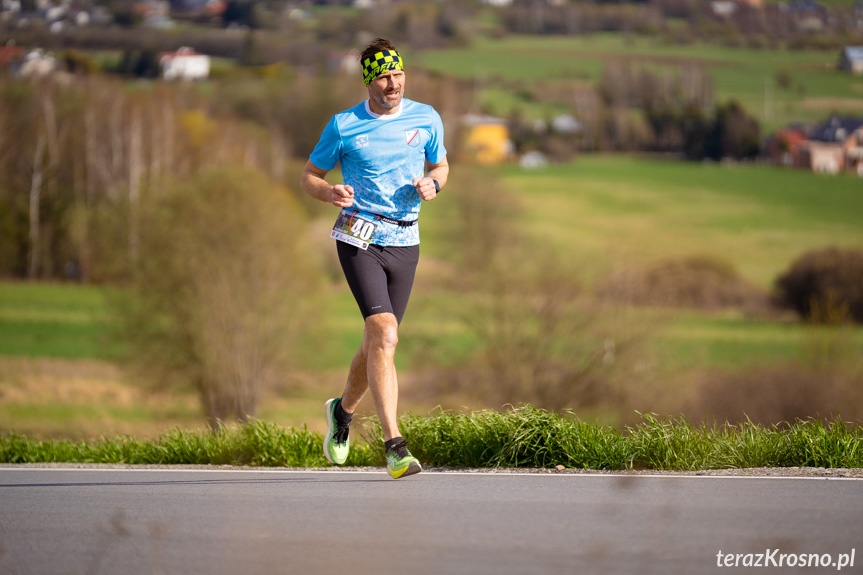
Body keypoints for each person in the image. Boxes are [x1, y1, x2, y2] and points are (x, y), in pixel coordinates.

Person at [300, 38, 449, 479]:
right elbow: (309, 175)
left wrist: (434, 184)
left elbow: (441, 165)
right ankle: (394, 446)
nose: (393, 83)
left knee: (377, 342)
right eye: (384, 76)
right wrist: (328, 191)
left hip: (406, 239)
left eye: (398, 74)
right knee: (384, 334)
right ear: (369, 80)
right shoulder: (344, 125)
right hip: (358, 233)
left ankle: (341, 413)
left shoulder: (427, 118)